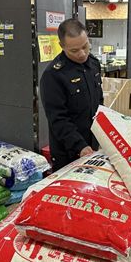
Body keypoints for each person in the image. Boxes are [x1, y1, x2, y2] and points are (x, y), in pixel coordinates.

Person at [40, 18, 103, 171]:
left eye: (85, 46)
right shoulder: (54, 75)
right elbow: (58, 119)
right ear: (62, 46)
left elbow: (99, 102)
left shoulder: (93, 64)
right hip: (68, 151)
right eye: (74, 50)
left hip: (93, 144)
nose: (82, 54)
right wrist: (79, 146)